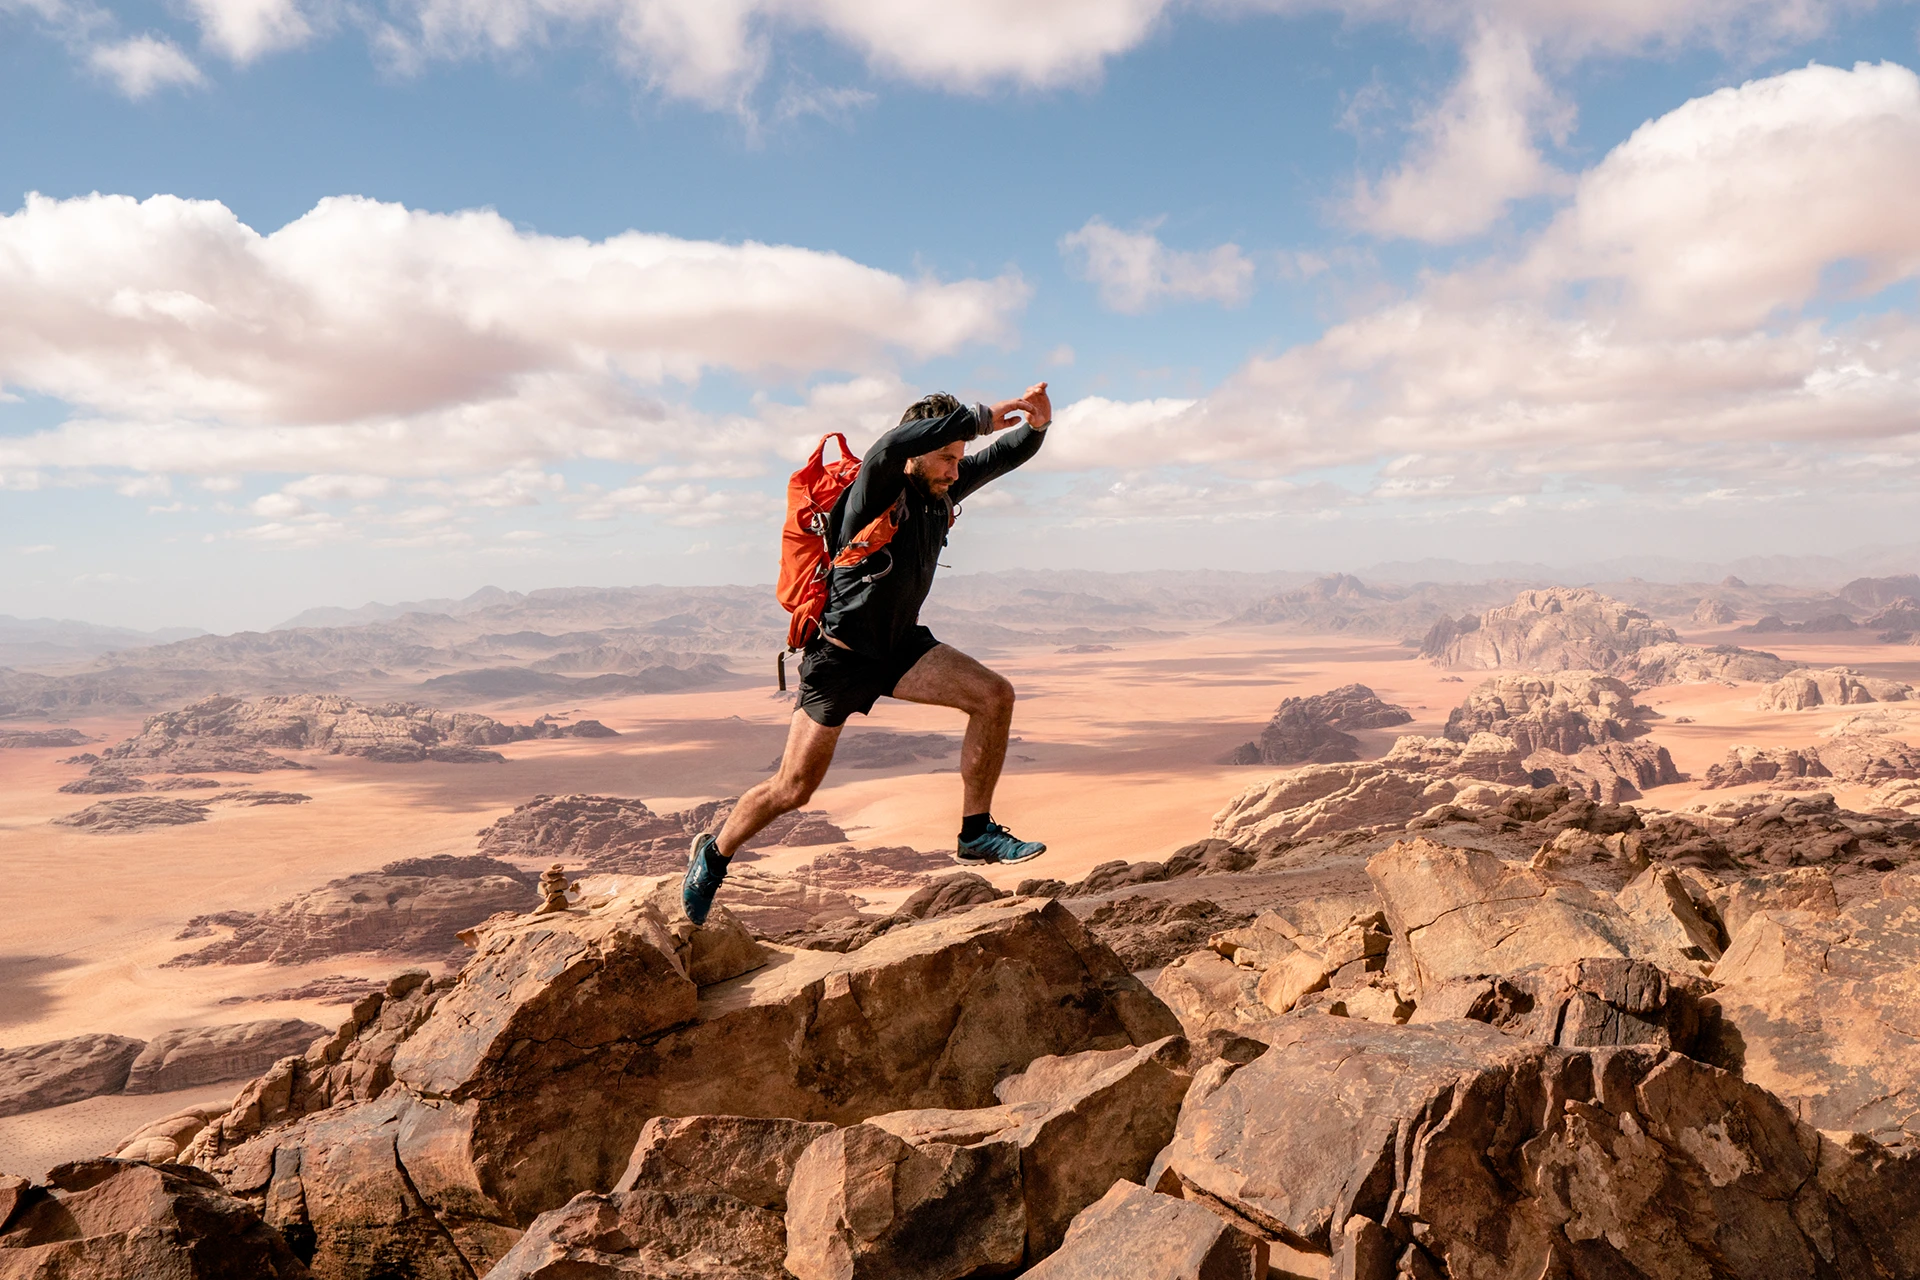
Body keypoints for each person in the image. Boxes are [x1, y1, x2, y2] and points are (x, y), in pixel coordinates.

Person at [683, 383, 1055, 924]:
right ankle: (713, 856)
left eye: (958, 460)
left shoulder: (941, 488)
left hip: (901, 647)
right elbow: (885, 447)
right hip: (840, 658)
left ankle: (976, 832)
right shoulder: (876, 487)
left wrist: (1037, 427)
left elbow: (1005, 454)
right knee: (793, 788)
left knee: (994, 695)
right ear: (919, 452)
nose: (956, 470)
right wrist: (976, 418)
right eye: (947, 457)